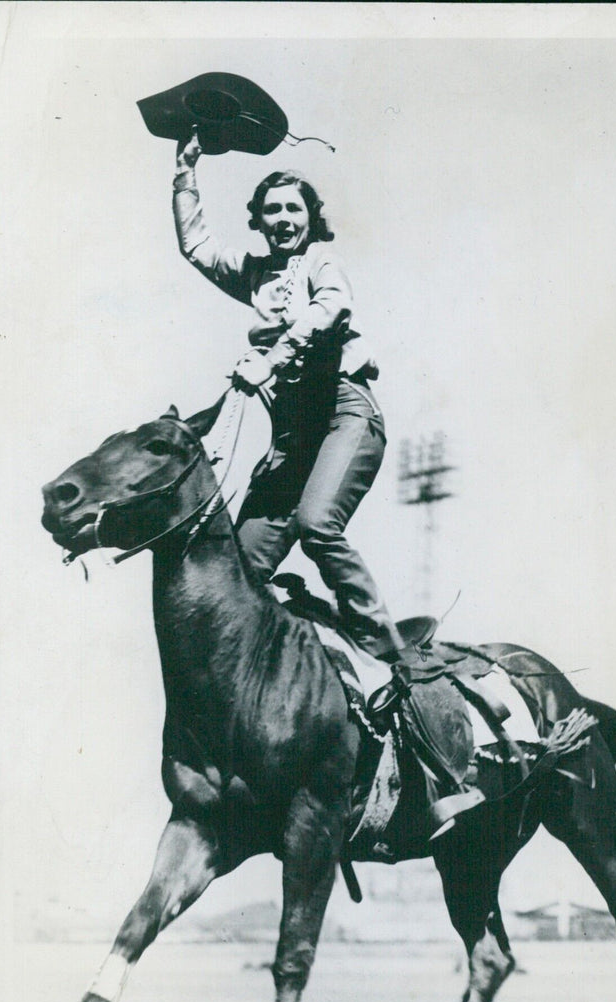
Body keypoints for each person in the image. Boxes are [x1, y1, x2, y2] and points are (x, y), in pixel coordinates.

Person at [172, 130, 407, 660]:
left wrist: (270, 359)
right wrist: (185, 171)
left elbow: (330, 311)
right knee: (236, 568)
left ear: (309, 217)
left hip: (345, 417)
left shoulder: (322, 263)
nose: (282, 218)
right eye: (271, 209)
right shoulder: (257, 274)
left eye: (293, 209)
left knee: (318, 525)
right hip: (292, 441)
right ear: (258, 219)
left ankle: (393, 656)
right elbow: (197, 247)